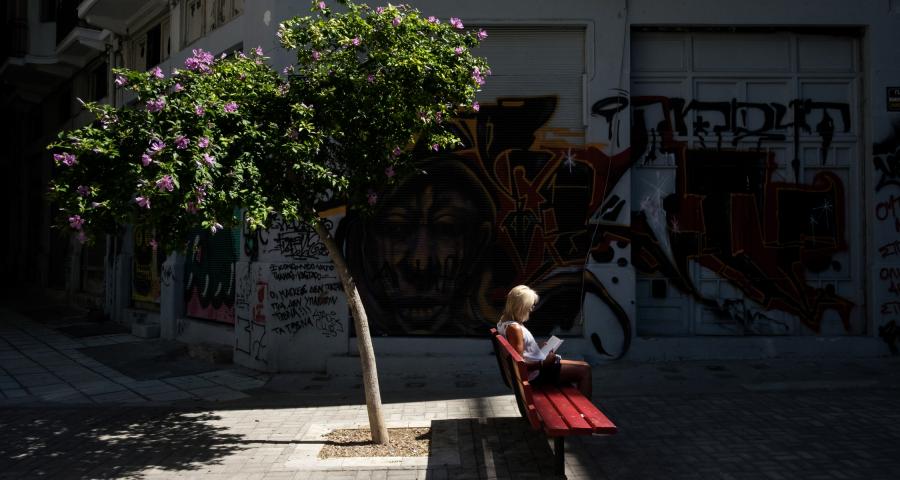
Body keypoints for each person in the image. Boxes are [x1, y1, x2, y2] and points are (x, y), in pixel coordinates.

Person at [496, 285, 592, 398]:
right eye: (530, 306)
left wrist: (537, 348)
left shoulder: (503, 322)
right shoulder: (514, 328)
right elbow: (519, 365)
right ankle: (585, 409)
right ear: (520, 306)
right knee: (585, 370)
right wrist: (543, 363)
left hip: (535, 371)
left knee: (582, 366)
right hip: (536, 375)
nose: (531, 309)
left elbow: (520, 351)